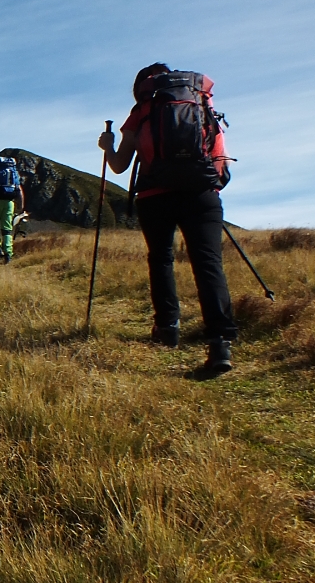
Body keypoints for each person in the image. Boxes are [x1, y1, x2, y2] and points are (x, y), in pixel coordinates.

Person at [98, 62, 237, 374]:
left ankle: (167, 328)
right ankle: (219, 344)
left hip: (155, 196)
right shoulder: (201, 102)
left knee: (161, 258)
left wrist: (107, 147)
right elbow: (221, 160)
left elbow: (120, 165)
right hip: (201, 193)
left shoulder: (143, 110)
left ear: (142, 88)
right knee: (208, 262)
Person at [0, 155, 24, 264]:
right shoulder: (12, 170)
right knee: (7, 229)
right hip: (10, 201)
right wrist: (21, 206)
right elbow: (19, 189)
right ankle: (8, 254)